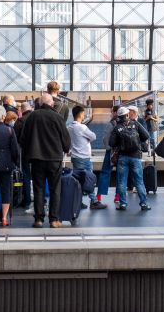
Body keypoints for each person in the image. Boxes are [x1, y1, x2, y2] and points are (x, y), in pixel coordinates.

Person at [20, 93, 71, 228]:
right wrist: (66, 149)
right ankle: (54, 220)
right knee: (55, 189)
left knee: (38, 189)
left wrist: (28, 153)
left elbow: (23, 139)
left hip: (36, 159)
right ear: (52, 104)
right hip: (54, 158)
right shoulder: (57, 117)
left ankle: (39, 219)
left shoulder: (31, 117)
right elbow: (65, 138)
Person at [109, 107, 151, 211]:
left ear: (119, 117)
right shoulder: (135, 124)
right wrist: (137, 140)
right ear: (127, 115)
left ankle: (123, 204)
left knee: (122, 182)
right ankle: (144, 204)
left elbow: (111, 143)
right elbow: (146, 135)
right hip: (136, 157)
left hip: (122, 157)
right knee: (139, 181)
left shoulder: (117, 127)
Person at [69, 105, 107, 210]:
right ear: (80, 114)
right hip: (84, 158)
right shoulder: (82, 127)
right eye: (83, 113)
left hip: (75, 157)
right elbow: (94, 137)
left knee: (79, 180)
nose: (84, 115)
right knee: (89, 180)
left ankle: (79, 201)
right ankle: (94, 201)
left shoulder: (70, 127)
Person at [97, 105, 119, 205]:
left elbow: (106, 138)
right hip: (122, 152)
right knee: (121, 175)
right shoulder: (126, 123)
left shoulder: (111, 123)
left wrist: (108, 148)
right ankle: (118, 197)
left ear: (114, 112)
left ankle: (99, 196)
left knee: (105, 172)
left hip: (111, 152)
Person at [14, 102, 34, 212]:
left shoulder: (20, 121)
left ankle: (26, 200)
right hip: (39, 151)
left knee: (26, 175)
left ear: (22, 110)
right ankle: (41, 200)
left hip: (26, 152)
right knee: (38, 176)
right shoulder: (37, 117)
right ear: (30, 108)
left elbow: (15, 138)